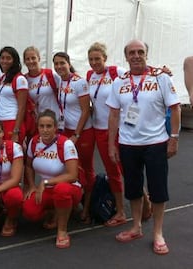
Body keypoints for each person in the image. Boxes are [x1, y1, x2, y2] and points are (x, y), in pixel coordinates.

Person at [106, 39, 180, 255]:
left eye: (140, 52)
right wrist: (112, 144)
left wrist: (173, 138)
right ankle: (136, 226)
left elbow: (175, 109)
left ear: (146, 54)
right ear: (126, 57)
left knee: (158, 189)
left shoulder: (161, 78)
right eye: (132, 53)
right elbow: (113, 114)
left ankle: (158, 233)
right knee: (134, 188)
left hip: (156, 142)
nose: (136, 56)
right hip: (128, 144)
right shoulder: (119, 82)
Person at [22, 110, 81, 248]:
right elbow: (29, 166)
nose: (45, 130)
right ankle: (56, 210)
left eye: (49, 126)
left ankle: (62, 231)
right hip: (47, 190)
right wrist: (31, 185)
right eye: (41, 126)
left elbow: (73, 175)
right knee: (29, 210)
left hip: (69, 188)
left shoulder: (65, 144)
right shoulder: (34, 142)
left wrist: (46, 182)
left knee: (61, 190)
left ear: (55, 128)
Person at [86, 42, 127, 226]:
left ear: (105, 58)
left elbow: (138, 75)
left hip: (118, 129)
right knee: (113, 171)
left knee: (126, 169)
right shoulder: (89, 75)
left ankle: (144, 203)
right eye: (91, 59)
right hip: (98, 129)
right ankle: (121, 211)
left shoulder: (116, 72)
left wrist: (159, 71)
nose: (94, 62)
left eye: (97, 59)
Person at [52, 52, 95, 224]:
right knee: (69, 169)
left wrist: (77, 134)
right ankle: (74, 202)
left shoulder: (79, 82)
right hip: (66, 130)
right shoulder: (60, 81)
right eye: (56, 64)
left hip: (83, 132)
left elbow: (86, 110)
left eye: (62, 63)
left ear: (69, 63)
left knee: (86, 168)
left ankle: (87, 207)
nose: (59, 66)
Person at [0, 46, 28, 144]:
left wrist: (16, 131)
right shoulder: (3, 78)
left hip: (12, 122)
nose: (4, 61)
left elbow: (22, 108)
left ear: (14, 60)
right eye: (2, 58)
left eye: (8, 58)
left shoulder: (20, 79)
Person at [23, 46, 62, 127]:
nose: (31, 61)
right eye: (27, 59)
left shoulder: (50, 75)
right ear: (24, 62)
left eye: (33, 58)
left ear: (39, 58)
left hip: (55, 121)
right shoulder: (24, 80)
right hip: (37, 123)